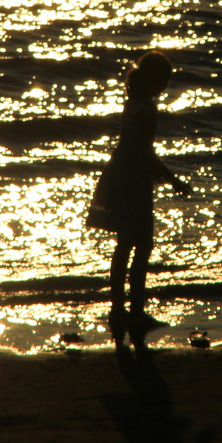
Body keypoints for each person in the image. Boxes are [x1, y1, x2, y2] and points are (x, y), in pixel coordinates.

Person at [87, 51, 191, 343]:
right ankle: (134, 312)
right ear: (155, 80)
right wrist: (173, 180)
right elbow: (146, 151)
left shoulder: (132, 104)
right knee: (142, 244)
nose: (166, 86)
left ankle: (119, 310)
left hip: (121, 173)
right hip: (133, 179)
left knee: (124, 245)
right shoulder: (147, 110)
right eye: (165, 80)